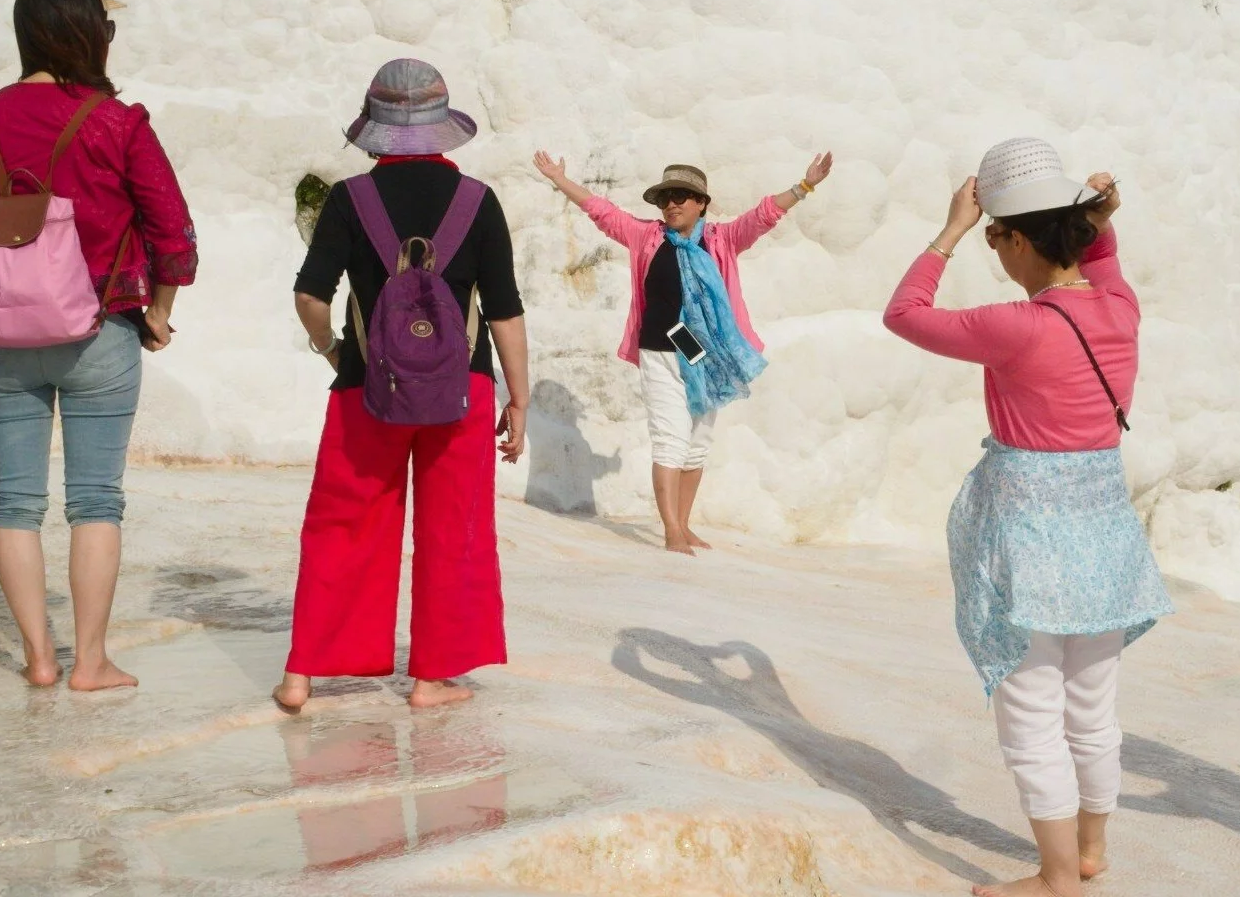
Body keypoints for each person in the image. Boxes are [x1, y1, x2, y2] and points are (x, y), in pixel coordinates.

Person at [883, 136, 1172, 897]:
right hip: (1105, 535)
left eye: (992, 237)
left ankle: (1055, 884)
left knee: (1031, 714)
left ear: (1016, 238)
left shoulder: (1016, 327)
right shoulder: (1118, 307)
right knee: (1093, 707)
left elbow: (903, 314)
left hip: (1032, 543)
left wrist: (946, 232)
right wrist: (1100, 221)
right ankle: (1090, 849)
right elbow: (1101, 259)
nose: (990, 250)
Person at [0, 0, 198, 691]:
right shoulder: (120, 123)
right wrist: (159, 312)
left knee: (13, 501)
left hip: (2, 342)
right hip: (100, 332)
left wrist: (0, 303)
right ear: (89, 34)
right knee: (95, 500)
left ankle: (38, 658)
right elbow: (171, 231)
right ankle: (90, 660)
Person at [278, 59, 529, 713]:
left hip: (367, 391)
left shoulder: (348, 200)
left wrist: (333, 349)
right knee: (455, 533)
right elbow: (503, 308)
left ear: (377, 132)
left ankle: (303, 673)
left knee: (342, 525)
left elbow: (310, 295)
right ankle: (430, 678)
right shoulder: (478, 202)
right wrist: (519, 398)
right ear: (442, 130)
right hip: (460, 395)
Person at [532, 150, 832, 552]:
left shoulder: (721, 239)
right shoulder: (646, 236)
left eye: (681, 197)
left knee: (698, 442)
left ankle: (685, 523)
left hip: (705, 356)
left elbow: (763, 216)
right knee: (671, 439)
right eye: (665, 198)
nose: (671, 204)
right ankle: (671, 529)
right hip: (659, 351)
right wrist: (559, 178)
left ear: (702, 203)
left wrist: (805, 184)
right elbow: (599, 211)